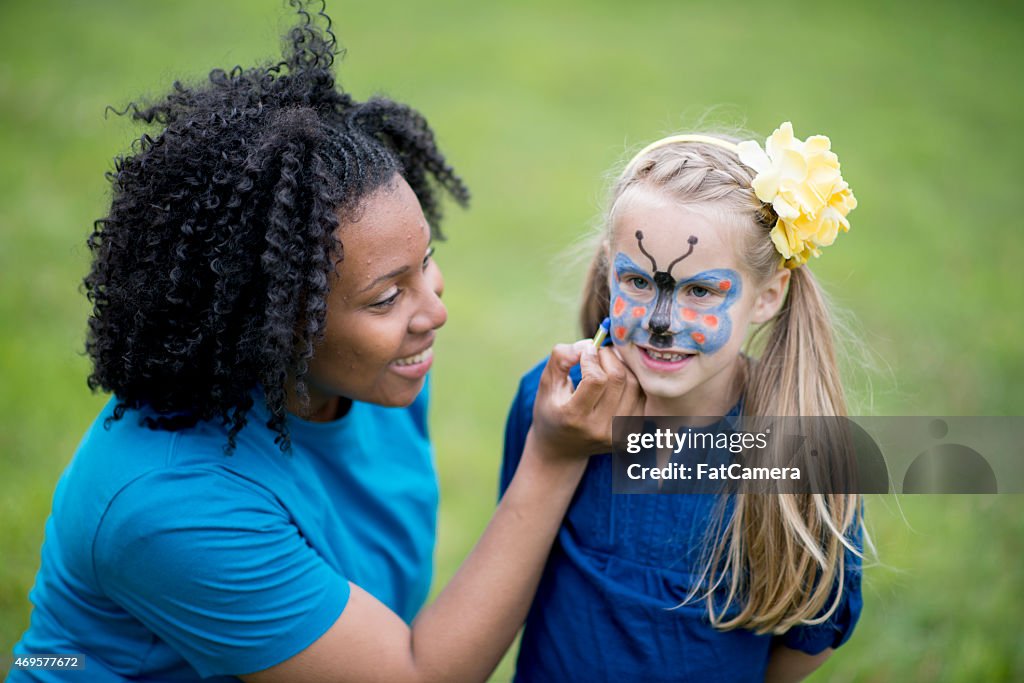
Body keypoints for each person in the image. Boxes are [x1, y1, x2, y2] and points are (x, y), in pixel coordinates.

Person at [10, 5, 644, 682]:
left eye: (424, 261)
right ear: (276, 325)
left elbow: (748, 458)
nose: (435, 310)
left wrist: (761, 452)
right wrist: (550, 458)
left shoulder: (369, 374)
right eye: (386, 296)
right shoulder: (167, 499)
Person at [501, 124, 867, 682]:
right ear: (608, 269)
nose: (659, 322)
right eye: (638, 281)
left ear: (767, 297)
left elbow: (812, 633)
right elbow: (512, 563)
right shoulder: (555, 404)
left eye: (700, 291)